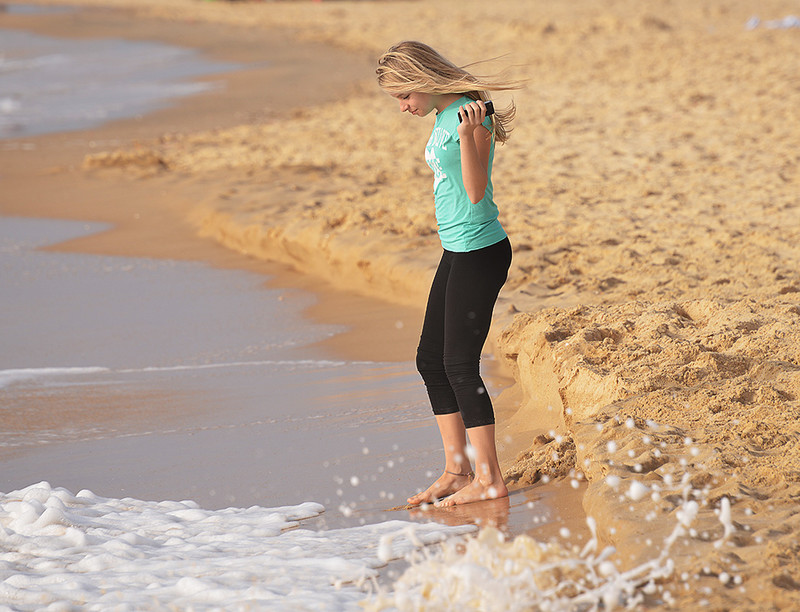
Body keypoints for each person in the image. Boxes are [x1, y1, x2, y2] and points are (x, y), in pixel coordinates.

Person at [376, 41, 520, 507]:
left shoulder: (470, 117)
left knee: (459, 364)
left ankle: (490, 478)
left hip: (481, 252)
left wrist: (469, 136)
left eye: (404, 97)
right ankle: (458, 471)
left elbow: (476, 192)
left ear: (421, 81)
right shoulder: (443, 116)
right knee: (429, 360)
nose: (402, 107)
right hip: (455, 250)